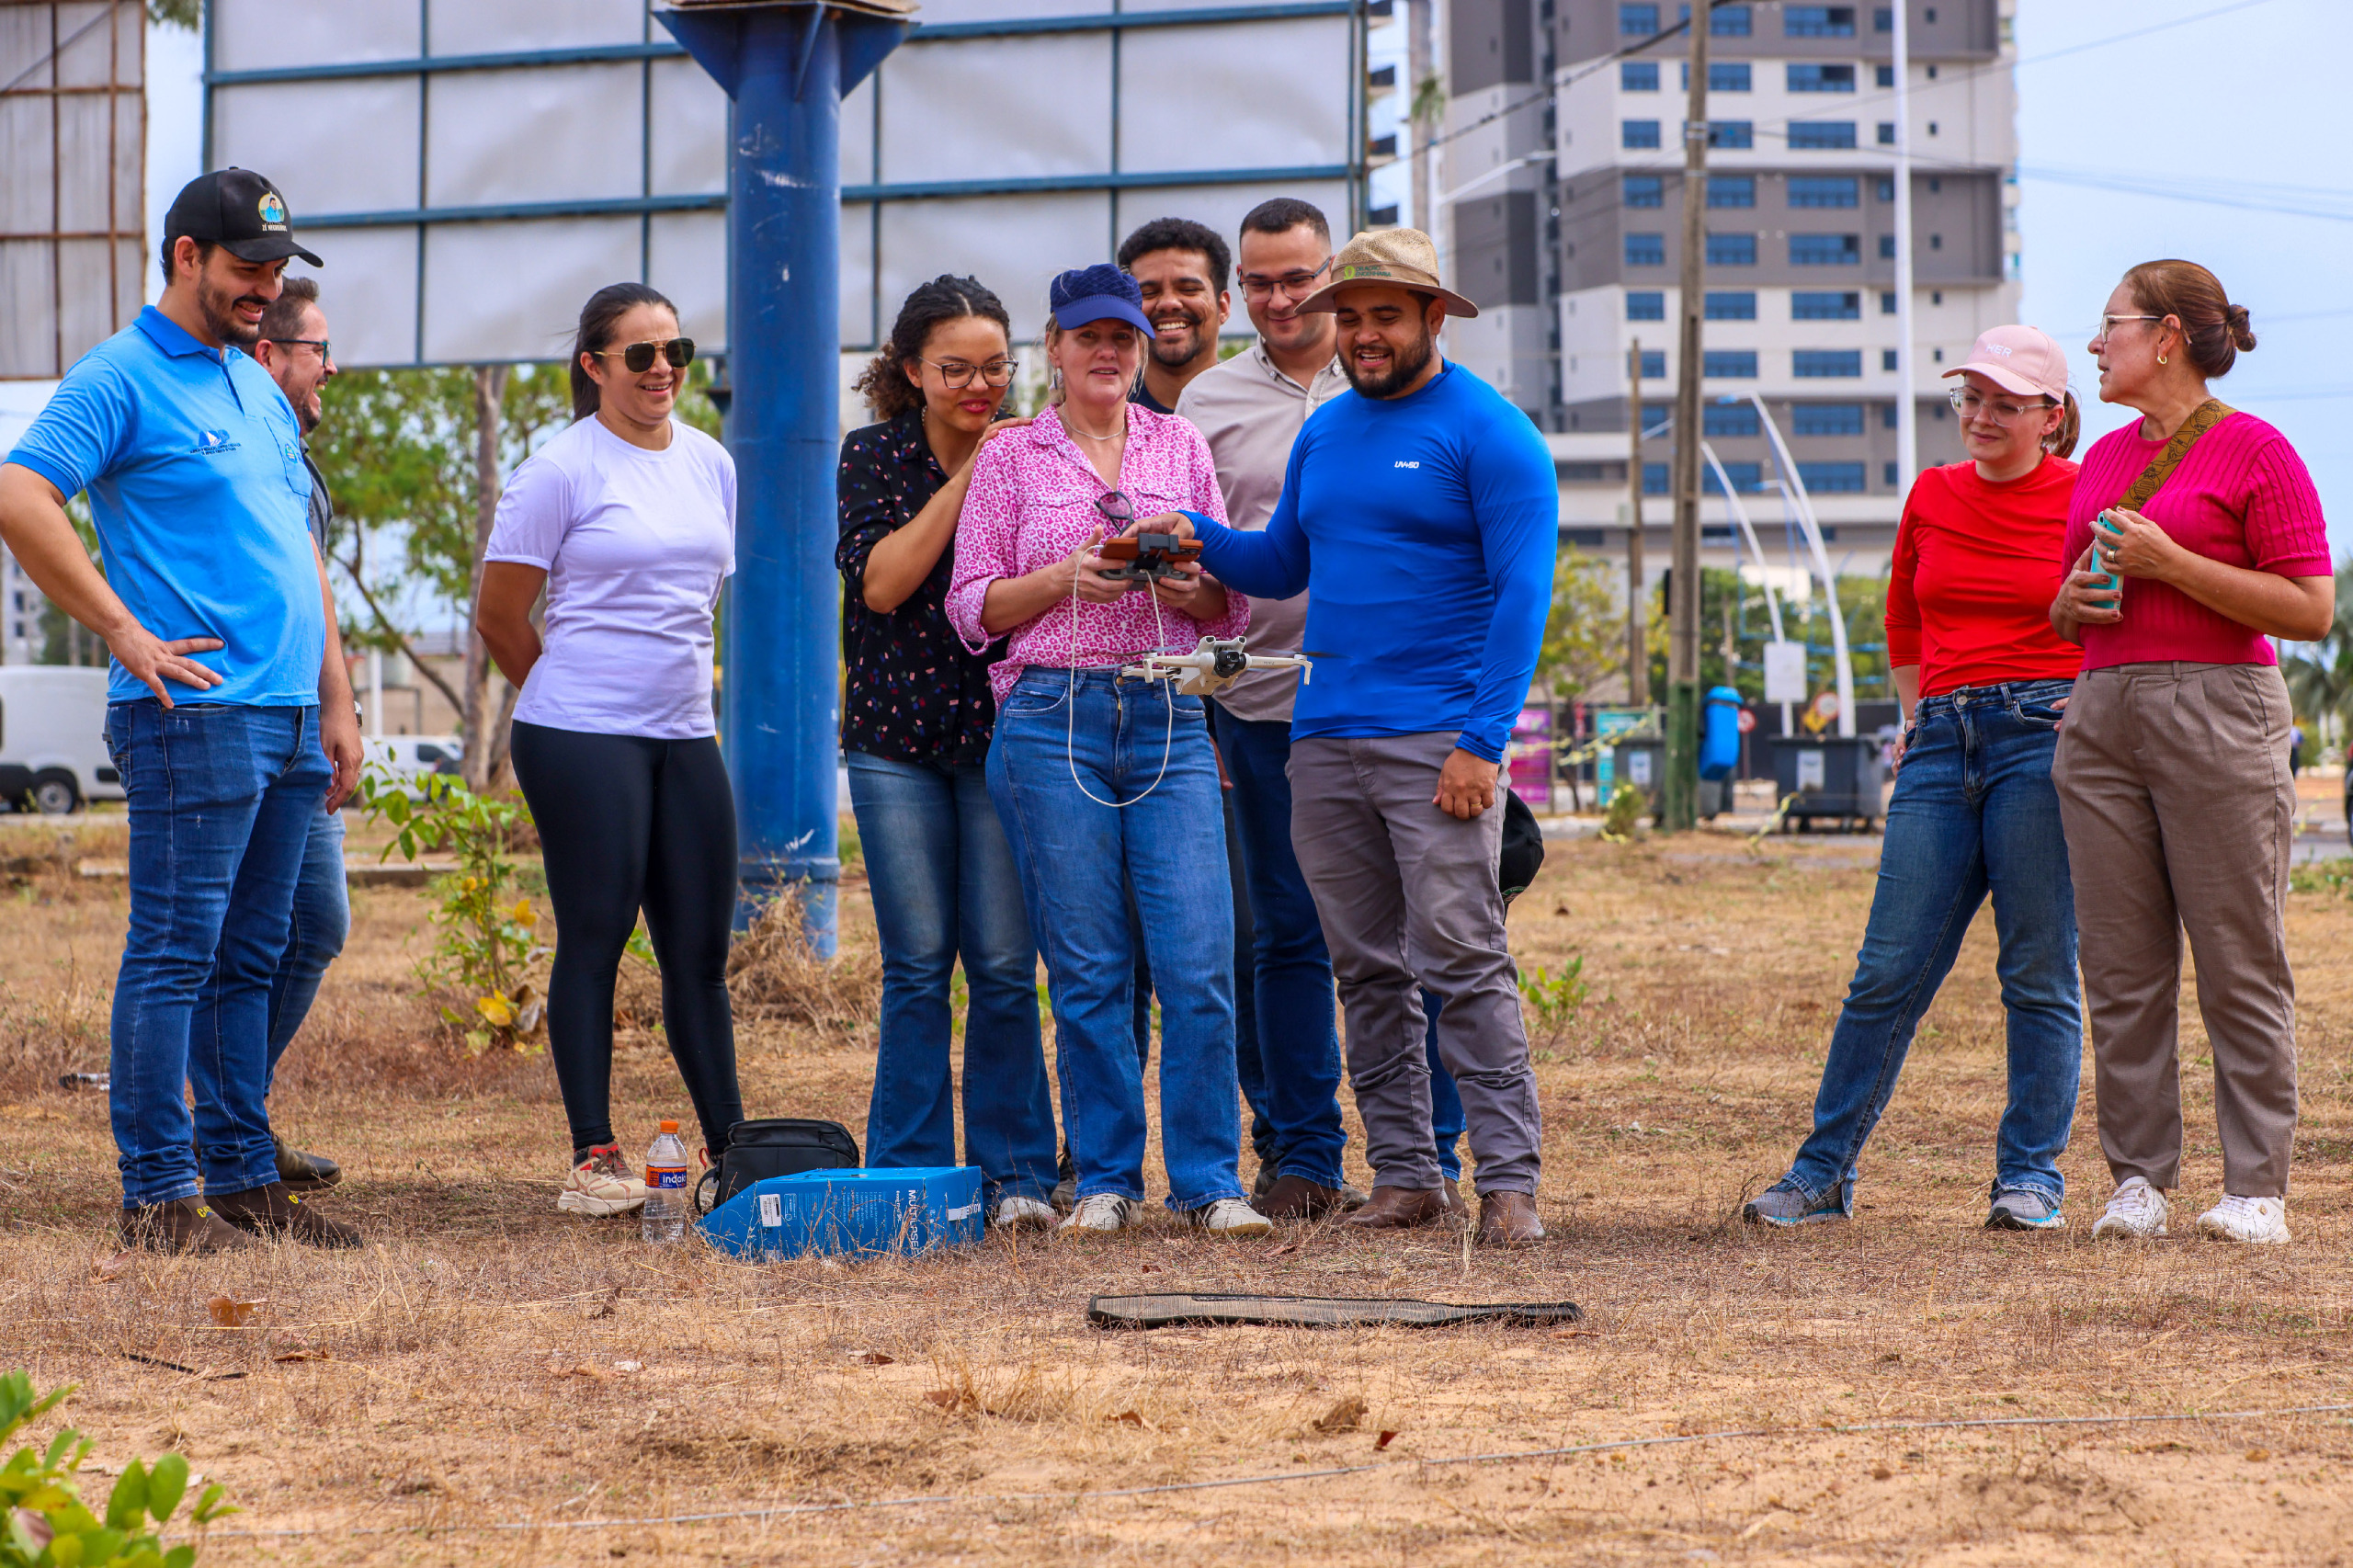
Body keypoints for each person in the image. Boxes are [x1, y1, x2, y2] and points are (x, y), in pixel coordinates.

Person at [1171, 228, 1558, 1246]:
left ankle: (1508, 1183)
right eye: (1350, 317)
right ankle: (1406, 1175)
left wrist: (1483, 742)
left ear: (1433, 316)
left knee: (1462, 958)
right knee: (1366, 969)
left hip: (1439, 739)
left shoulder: (1493, 432)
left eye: (1386, 314)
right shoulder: (1327, 431)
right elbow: (1278, 563)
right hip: (1322, 736)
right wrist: (1190, 533)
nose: (1364, 334)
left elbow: (1523, 598)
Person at [0, 168, 362, 1253]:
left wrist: (336, 699)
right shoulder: (120, 375)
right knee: (175, 955)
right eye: (248, 268)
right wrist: (121, 628)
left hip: (288, 715)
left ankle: (243, 1178)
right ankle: (158, 1196)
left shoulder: (252, 379)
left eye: (278, 271)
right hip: (193, 715)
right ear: (187, 256)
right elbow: (20, 494)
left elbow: (297, 544)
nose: (266, 289)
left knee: (252, 958)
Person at [945, 263, 1267, 1238]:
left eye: (1122, 337)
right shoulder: (1012, 453)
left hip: (1168, 709)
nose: (1108, 351)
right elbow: (970, 606)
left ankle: (1209, 1180)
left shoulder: (1179, 442)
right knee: (1089, 968)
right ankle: (1106, 1179)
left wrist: (1188, 587)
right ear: (1054, 346)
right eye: (1088, 336)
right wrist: (1064, 579)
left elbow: (1228, 603)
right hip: (1052, 715)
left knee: (1199, 961)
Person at [1743, 325, 2088, 1232]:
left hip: (2041, 740)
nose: (1980, 415)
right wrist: (1917, 717)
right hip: (1938, 740)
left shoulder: (2084, 496)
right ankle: (1821, 1176)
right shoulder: (1933, 493)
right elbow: (1902, 616)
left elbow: (2114, 616)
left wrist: (2084, 710)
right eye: (1970, 398)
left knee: (2038, 971)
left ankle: (2030, 1179)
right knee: (1885, 971)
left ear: (2051, 417)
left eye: (2004, 403)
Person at [2049, 261, 2332, 1246]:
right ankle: (2138, 1180)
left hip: (2218, 705)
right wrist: (2067, 603)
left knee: (2236, 958)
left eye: (2110, 325)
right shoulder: (2102, 458)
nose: (2095, 344)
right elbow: (2071, 601)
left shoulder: (2257, 450)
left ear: (2166, 335)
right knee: (2119, 965)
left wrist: (2172, 563)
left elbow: (2310, 608)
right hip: (2102, 708)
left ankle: (2256, 1188)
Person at [477, 282, 745, 1218]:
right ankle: (593, 1157)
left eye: (677, 351)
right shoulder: (559, 469)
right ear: (594, 366)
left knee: (699, 952)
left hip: (684, 729)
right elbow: (500, 616)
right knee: (597, 934)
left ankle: (734, 1151)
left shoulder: (711, 461)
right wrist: (573, 694)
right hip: (580, 731)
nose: (663, 368)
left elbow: (697, 601)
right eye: (640, 354)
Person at [836, 276, 1058, 1231]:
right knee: (918, 964)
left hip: (1008, 733)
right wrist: (972, 472)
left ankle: (1018, 1178)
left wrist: (1006, 457)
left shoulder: (1042, 453)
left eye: (996, 367)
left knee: (1005, 963)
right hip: (895, 738)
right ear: (912, 371)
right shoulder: (872, 454)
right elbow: (882, 583)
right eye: (956, 369)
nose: (980, 387)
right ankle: (909, 1177)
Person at [1171, 198, 1355, 1217]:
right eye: (1262, 282)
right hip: (1258, 701)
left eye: (1299, 278)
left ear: (1334, 275)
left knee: (1410, 938)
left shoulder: (1387, 381)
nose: (1281, 299)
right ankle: (1304, 1155)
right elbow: (1209, 554)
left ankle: (1430, 1158)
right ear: (1239, 289)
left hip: (1384, 699)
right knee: (1282, 934)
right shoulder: (1207, 400)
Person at [248, 275, 347, 1192]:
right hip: (245, 715)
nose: (331, 367)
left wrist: (340, 708)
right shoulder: (246, 446)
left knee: (315, 923)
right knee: (239, 937)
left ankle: (238, 1115)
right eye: (319, 349)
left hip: (306, 718)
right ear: (270, 353)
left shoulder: (292, 453)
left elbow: (313, 593)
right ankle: (223, 1130)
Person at [1117, 218, 1232, 414]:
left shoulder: (1254, 408)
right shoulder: (1101, 412)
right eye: (1148, 293)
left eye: (1188, 289)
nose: (1169, 303)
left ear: (1223, 306)